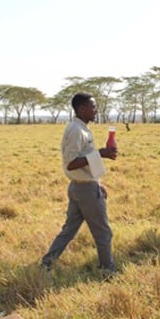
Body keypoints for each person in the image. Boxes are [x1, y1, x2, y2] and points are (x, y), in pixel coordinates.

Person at [41, 93, 119, 272]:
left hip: (81, 186)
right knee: (104, 233)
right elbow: (72, 162)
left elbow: (83, 161)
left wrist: (97, 182)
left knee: (68, 230)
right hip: (85, 190)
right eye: (92, 106)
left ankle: (46, 264)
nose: (96, 110)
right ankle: (108, 270)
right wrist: (101, 153)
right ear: (81, 109)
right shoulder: (76, 130)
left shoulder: (81, 128)